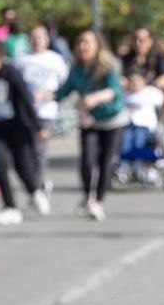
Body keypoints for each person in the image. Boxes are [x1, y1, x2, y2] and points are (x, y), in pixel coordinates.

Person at [0, 39, 47, 224]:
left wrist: (38, 127)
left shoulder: (11, 73)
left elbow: (26, 100)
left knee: (22, 166)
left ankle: (35, 190)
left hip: (18, 126)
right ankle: (10, 207)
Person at [55, 29, 128, 221]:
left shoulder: (108, 65)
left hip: (113, 118)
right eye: (80, 42)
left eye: (87, 42)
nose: (83, 46)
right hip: (90, 120)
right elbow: (64, 91)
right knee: (87, 159)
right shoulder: (77, 69)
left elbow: (114, 91)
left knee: (106, 161)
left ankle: (99, 201)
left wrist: (96, 98)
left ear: (97, 46)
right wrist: (45, 95)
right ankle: (87, 196)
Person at [15, 22, 69, 193]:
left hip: (46, 111)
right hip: (26, 111)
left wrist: (49, 94)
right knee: (26, 148)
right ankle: (33, 180)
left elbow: (65, 84)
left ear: (47, 39)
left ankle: (40, 181)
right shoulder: (21, 59)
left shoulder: (55, 59)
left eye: (41, 36)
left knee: (39, 147)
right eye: (34, 37)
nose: (38, 40)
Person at [118, 69, 164, 184]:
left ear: (144, 81)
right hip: (128, 126)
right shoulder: (124, 94)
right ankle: (124, 167)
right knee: (125, 140)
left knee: (139, 140)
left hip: (146, 127)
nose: (135, 83)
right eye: (132, 81)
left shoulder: (151, 93)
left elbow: (163, 104)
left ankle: (137, 168)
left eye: (138, 81)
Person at [120, 26, 164, 92]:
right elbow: (121, 78)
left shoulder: (159, 57)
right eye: (135, 39)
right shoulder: (126, 59)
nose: (137, 43)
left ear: (150, 42)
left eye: (142, 40)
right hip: (130, 93)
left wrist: (147, 86)